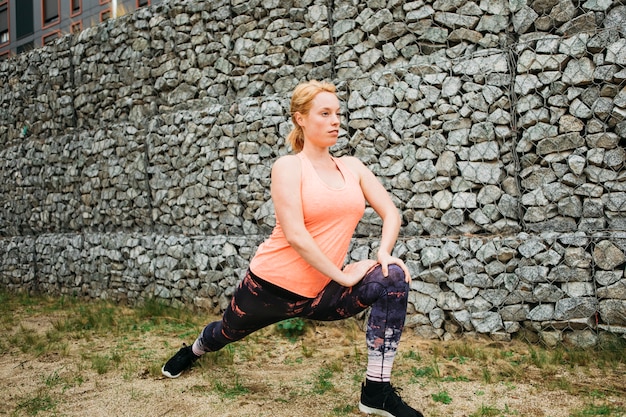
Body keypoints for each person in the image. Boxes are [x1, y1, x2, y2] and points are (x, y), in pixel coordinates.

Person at [161, 80, 424, 417]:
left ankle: (376, 392)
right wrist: (343, 277)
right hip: (269, 288)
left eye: (338, 114)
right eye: (324, 113)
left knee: (394, 276)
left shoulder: (353, 167)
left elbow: (390, 213)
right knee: (225, 332)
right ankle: (194, 350)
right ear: (300, 118)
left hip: (322, 293)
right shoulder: (288, 167)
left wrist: (383, 254)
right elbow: (296, 236)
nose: (335, 121)